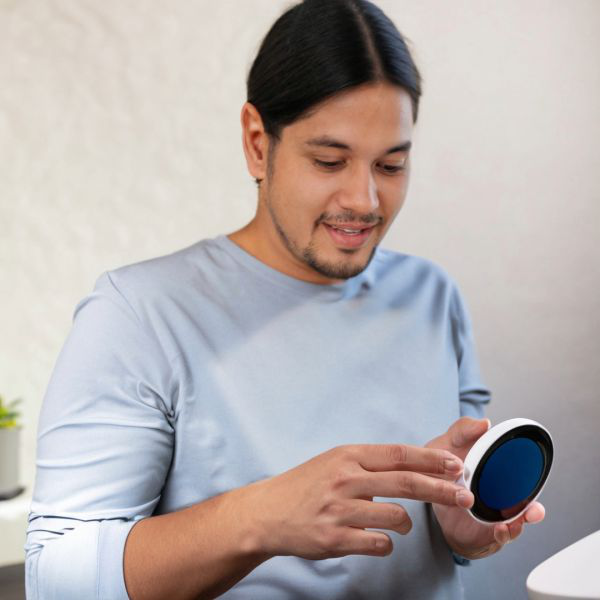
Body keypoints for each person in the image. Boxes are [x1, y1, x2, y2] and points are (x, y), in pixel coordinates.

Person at [24, 1, 545, 598]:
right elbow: (53, 577)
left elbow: (442, 544)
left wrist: (460, 528)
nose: (365, 199)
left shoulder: (433, 295)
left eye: (391, 164)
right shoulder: (137, 315)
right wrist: (261, 516)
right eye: (329, 160)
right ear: (256, 144)